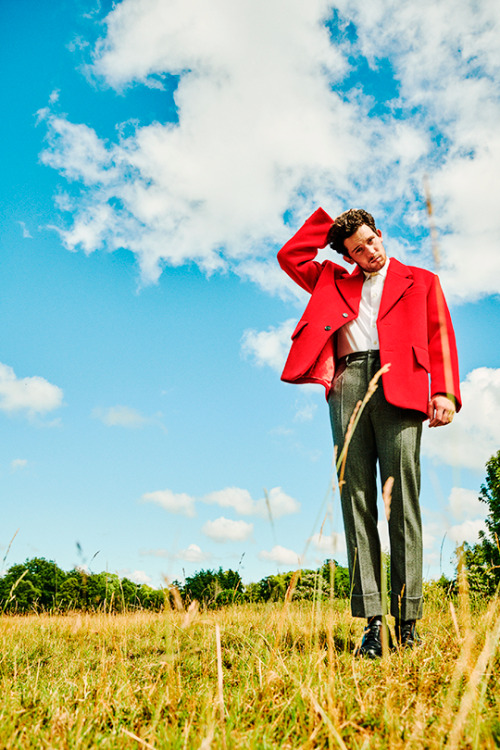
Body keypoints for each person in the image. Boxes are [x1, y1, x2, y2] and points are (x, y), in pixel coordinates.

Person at [277, 207, 461, 658]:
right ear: (348, 254)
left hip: (405, 384)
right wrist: (330, 228)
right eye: (357, 249)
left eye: (371, 241)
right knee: (354, 497)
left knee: (402, 500)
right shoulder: (333, 280)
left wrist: (446, 394)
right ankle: (373, 624)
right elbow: (291, 256)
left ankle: (409, 622)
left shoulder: (422, 280)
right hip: (348, 383)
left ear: (380, 233)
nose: (369, 252)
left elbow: (440, 336)